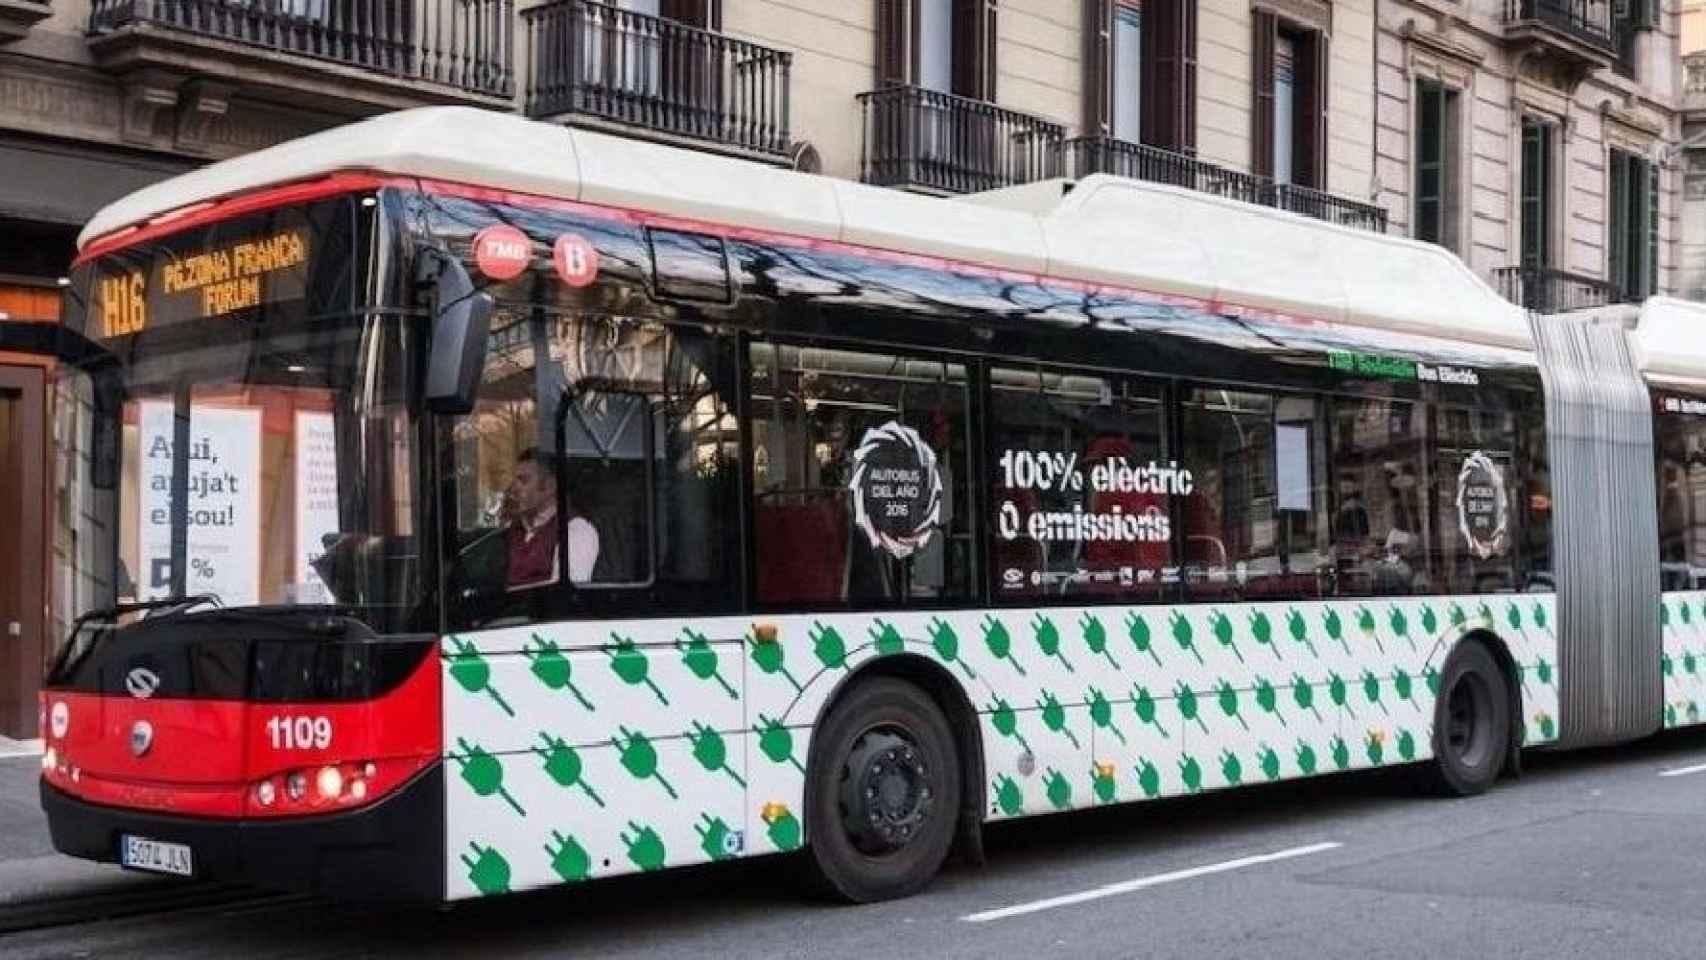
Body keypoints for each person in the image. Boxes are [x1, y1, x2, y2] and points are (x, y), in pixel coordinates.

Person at [505, 448, 599, 588]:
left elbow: (563, 593)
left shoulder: (576, 530)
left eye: (523, 481)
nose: (514, 488)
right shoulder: (514, 530)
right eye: (515, 481)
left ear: (550, 486)